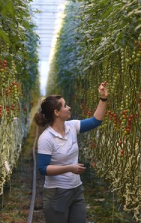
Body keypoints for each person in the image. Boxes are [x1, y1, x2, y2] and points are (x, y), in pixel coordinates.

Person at [34, 82, 109, 223]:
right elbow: (43, 168)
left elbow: (95, 121)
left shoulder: (72, 126)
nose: (69, 107)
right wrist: (70, 168)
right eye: (65, 105)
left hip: (76, 190)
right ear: (57, 112)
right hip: (56, 193)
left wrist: (103, 99)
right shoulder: (46, 138)